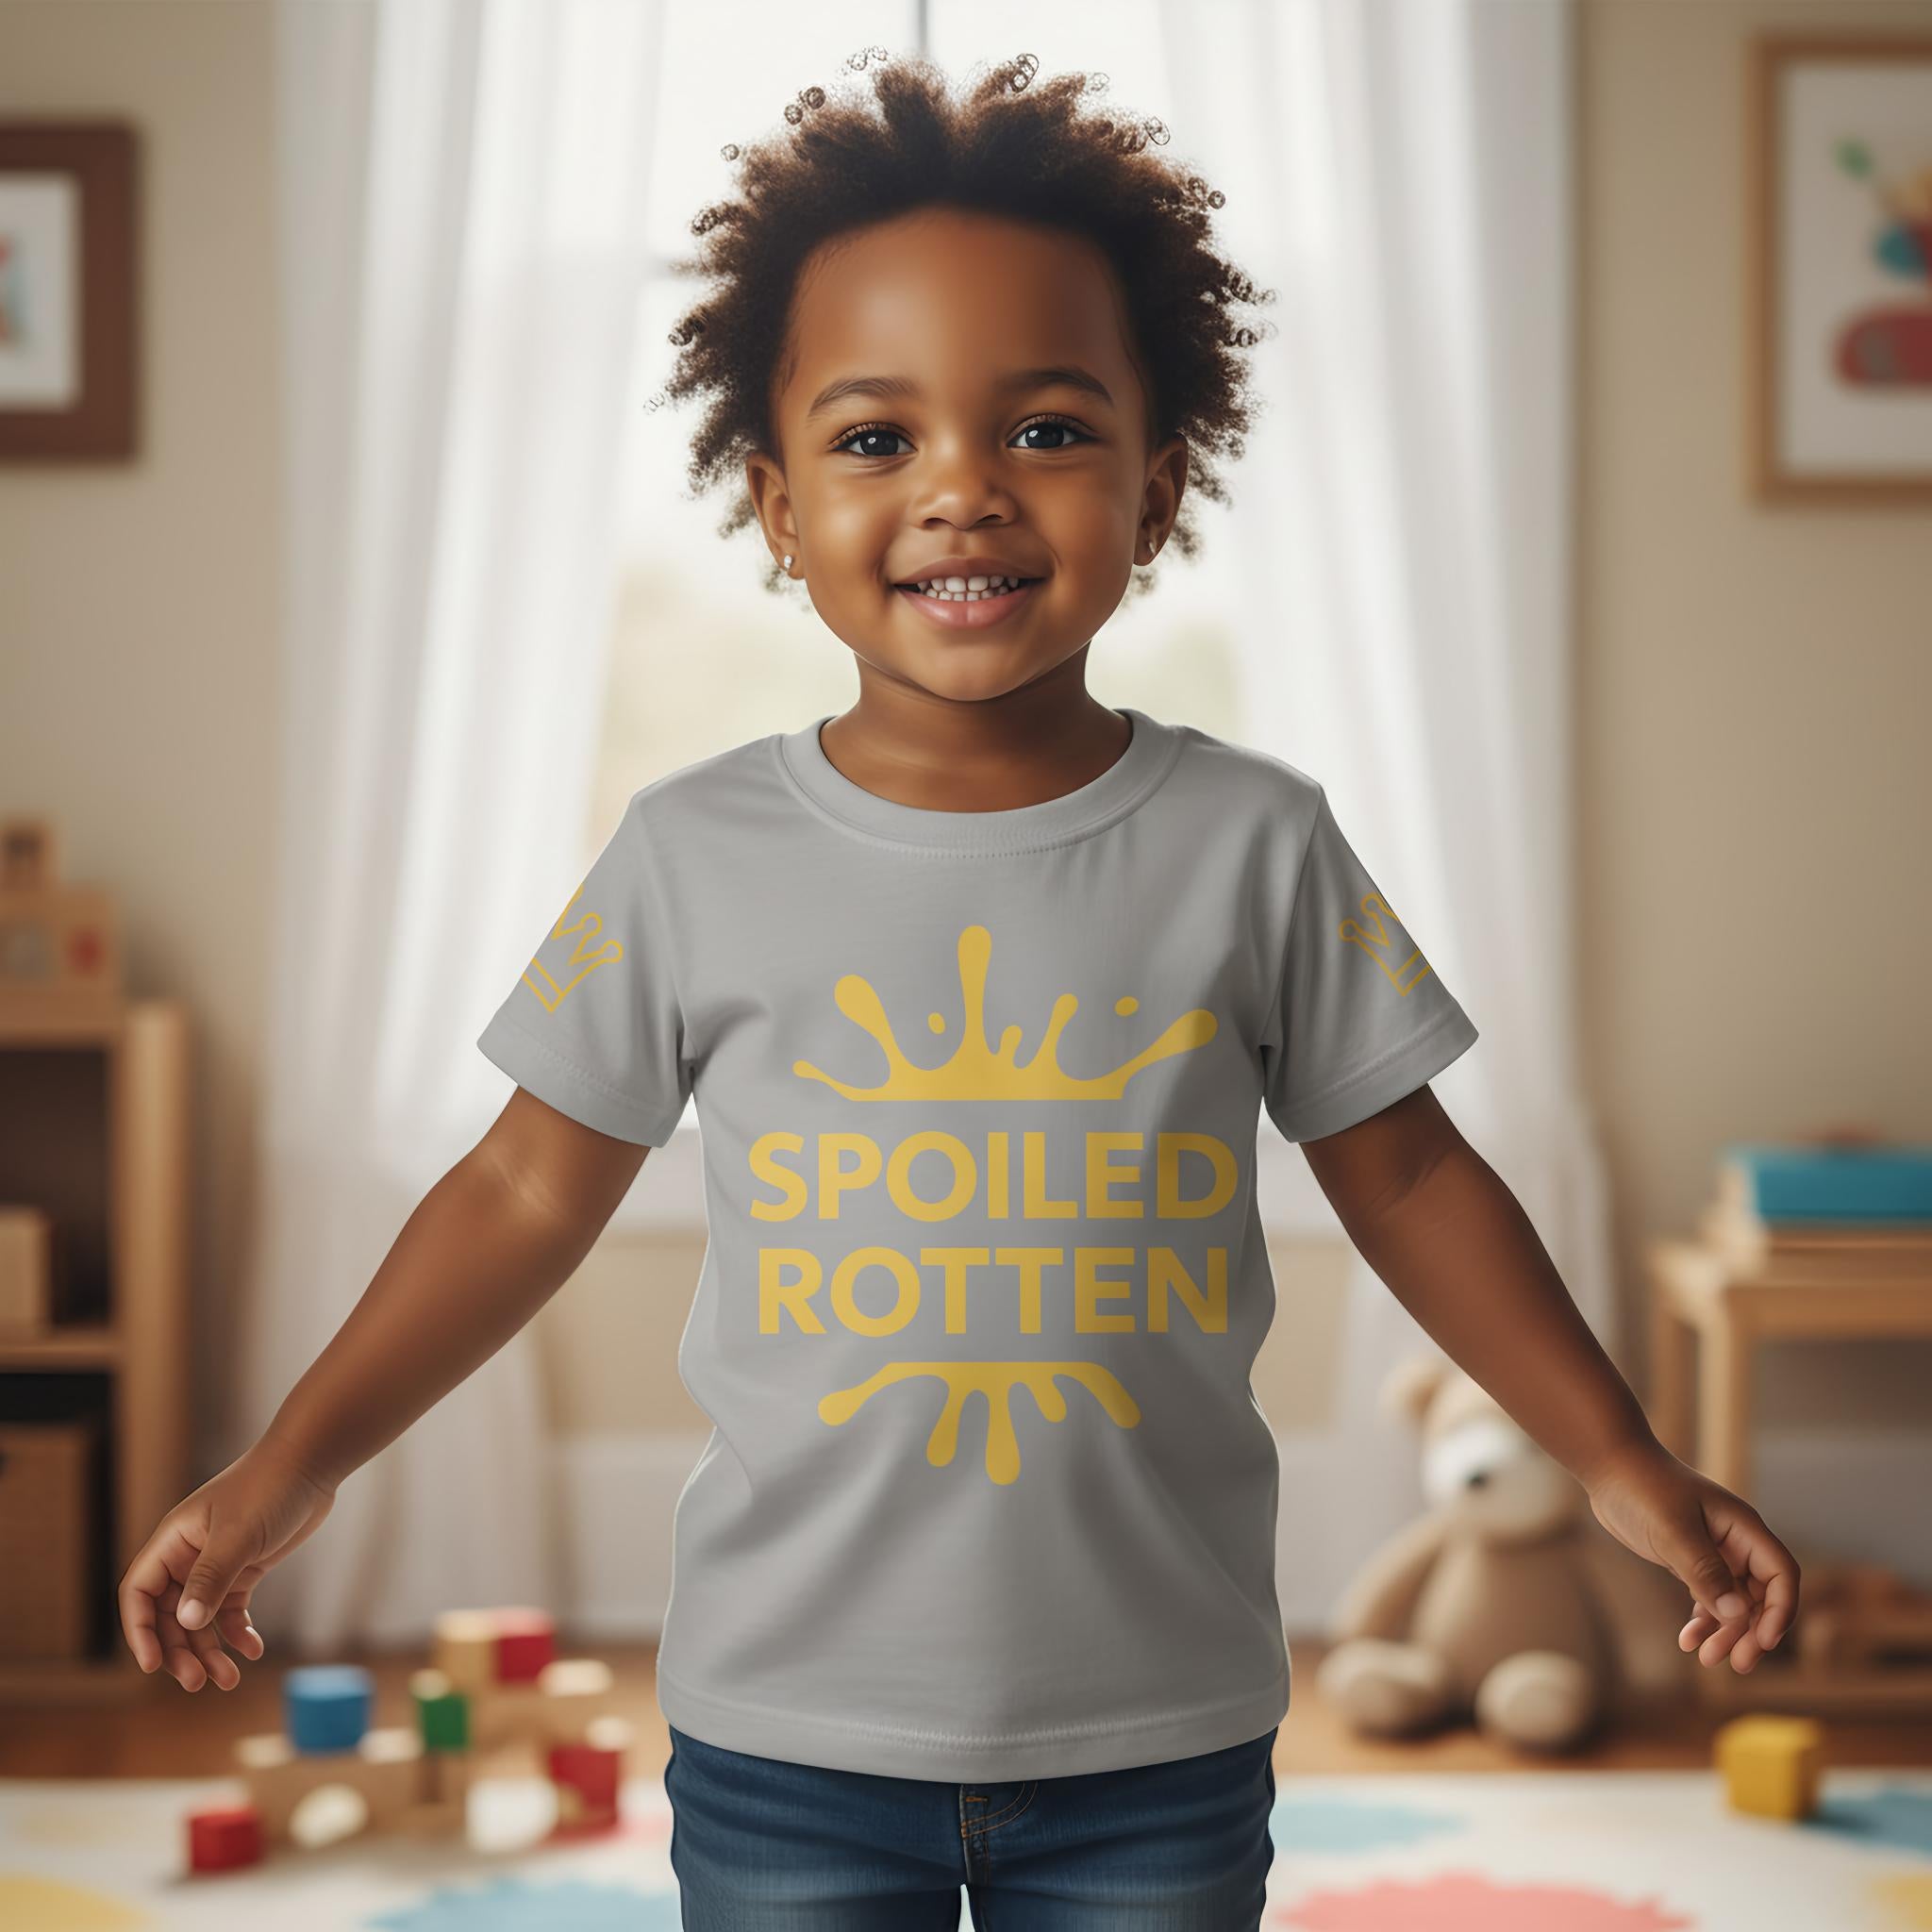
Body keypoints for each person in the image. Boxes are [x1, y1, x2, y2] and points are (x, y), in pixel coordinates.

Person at [118, 47, 1799, 1931]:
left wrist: (1617, 1459)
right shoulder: (690, 851)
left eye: (1048, 429)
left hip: (1159, 1734)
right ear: (773, 505)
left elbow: (1407, 1178)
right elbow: (522, 1189)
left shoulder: (1256, 841)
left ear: (1158, 483)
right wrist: (289, 1466)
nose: (963, 493)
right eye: (874, 440)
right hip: (788, 1735)